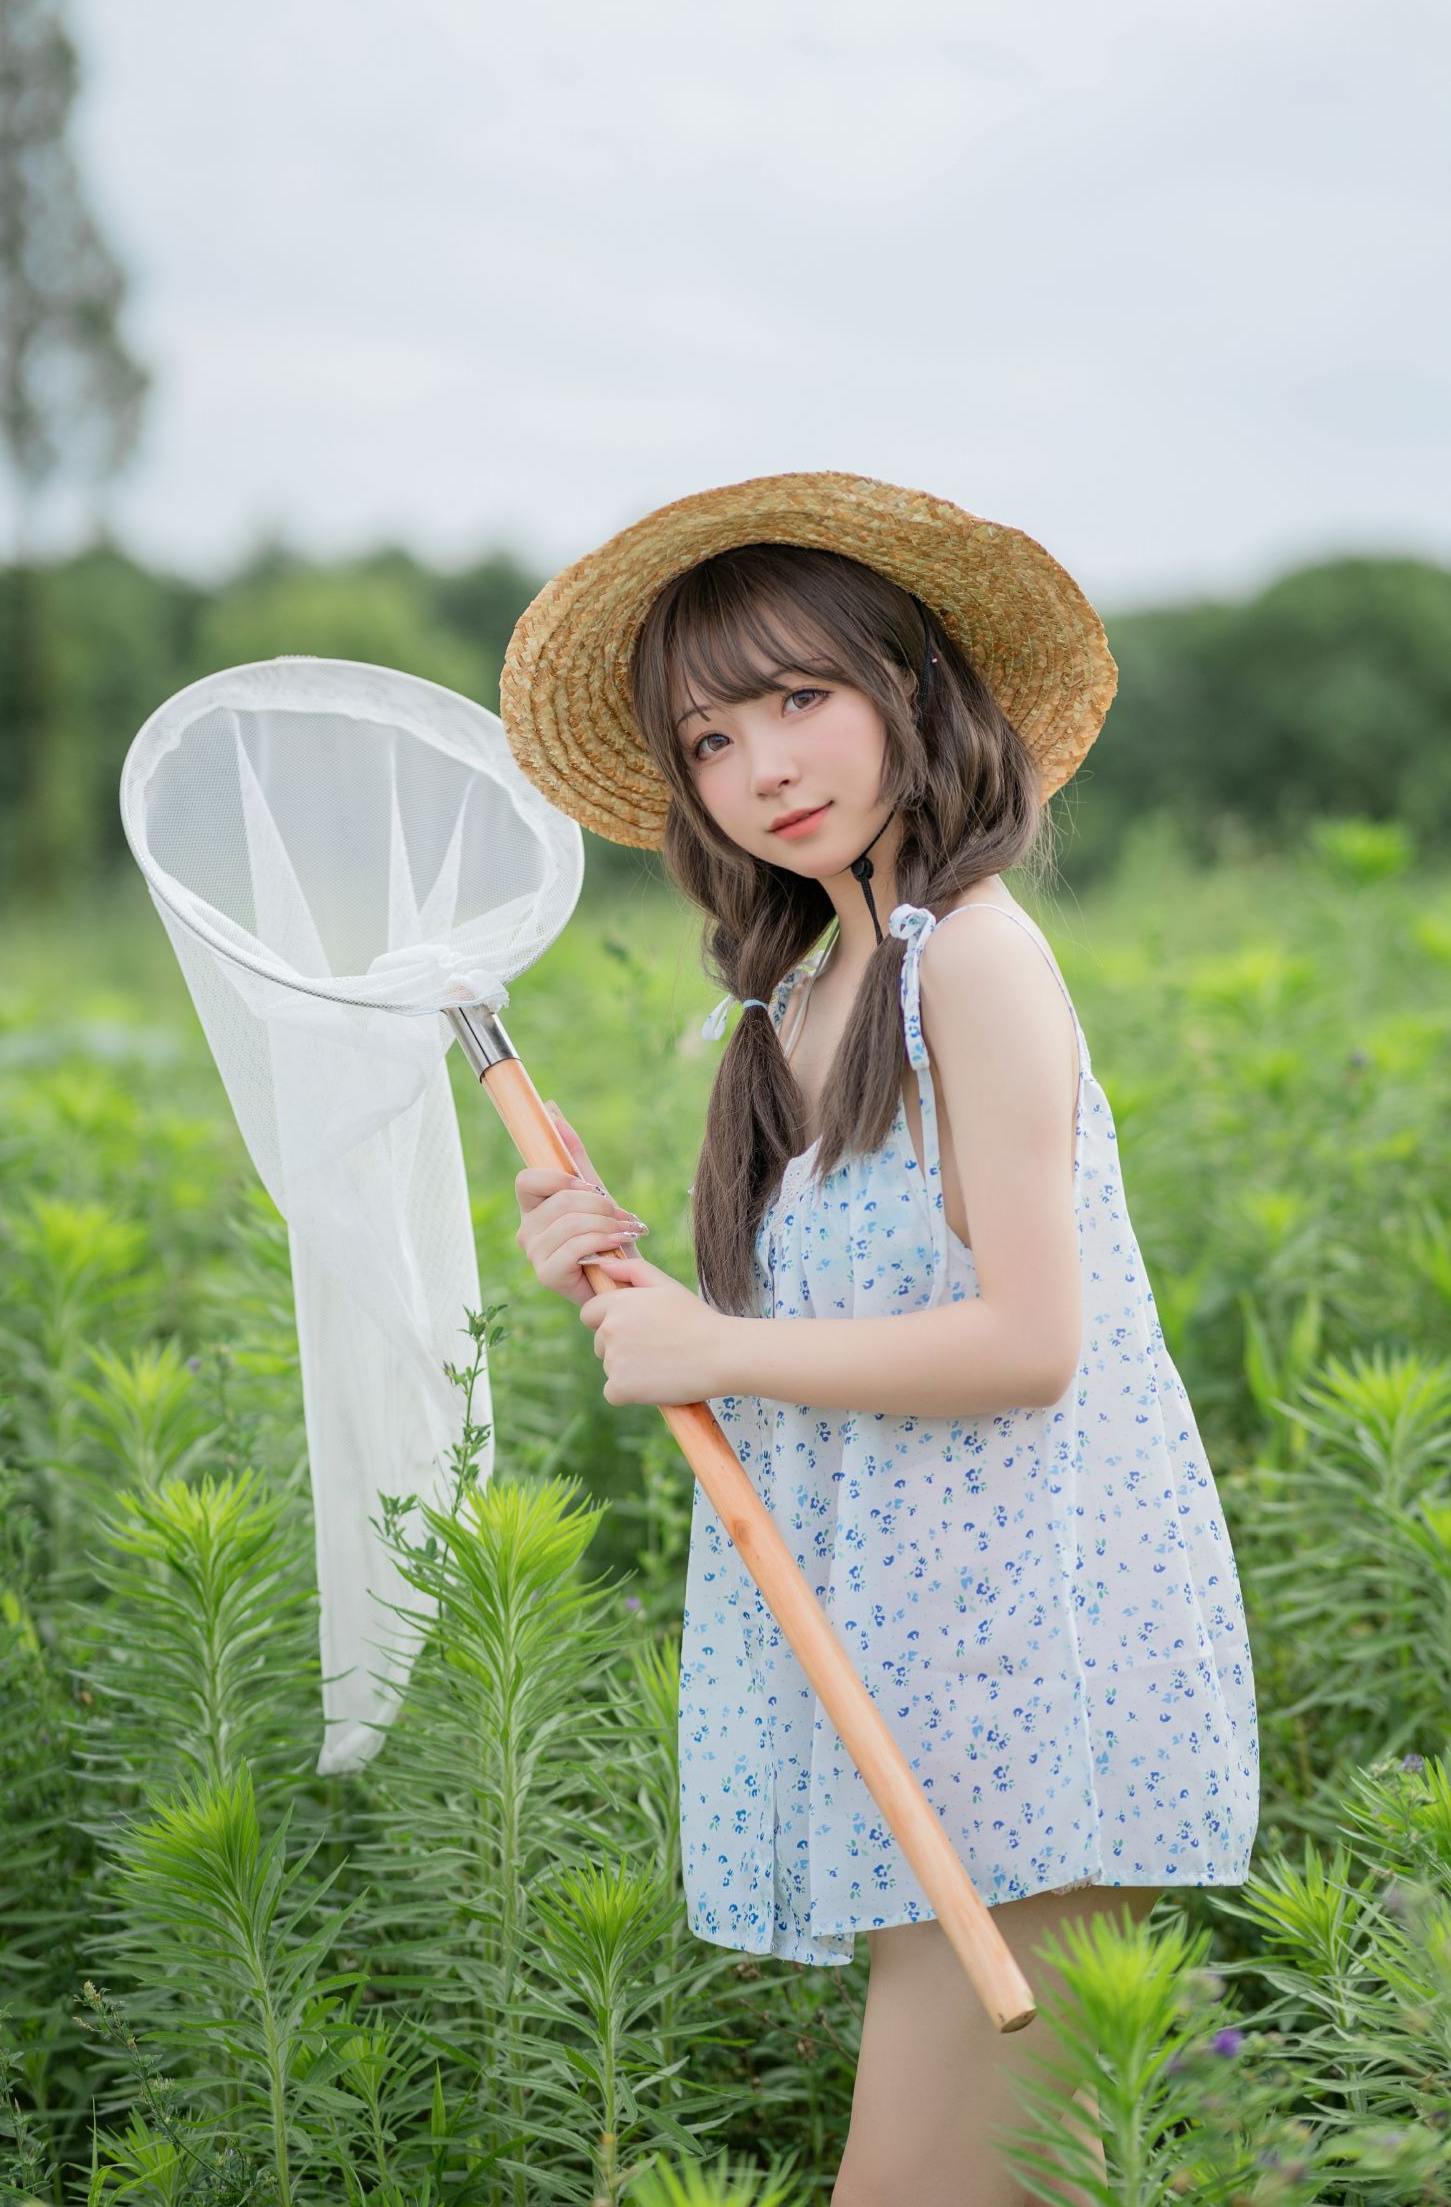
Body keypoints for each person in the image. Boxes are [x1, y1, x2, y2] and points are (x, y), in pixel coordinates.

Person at [501, 472, 1260, 2206]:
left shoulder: (974, 963)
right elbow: (807, 1325)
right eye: (708, 737)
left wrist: (720, 1352)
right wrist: (620, 1283)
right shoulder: (794, 999)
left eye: (798, 698)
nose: (763, 765)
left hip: (1020, 1663)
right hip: (912, 1667)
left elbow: (1024, 1343)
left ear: (908, 691)